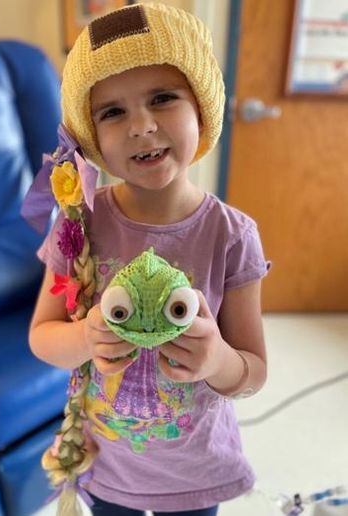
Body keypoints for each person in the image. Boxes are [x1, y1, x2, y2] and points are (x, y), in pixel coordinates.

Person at [25, 3, 270, 516]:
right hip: (108, 471)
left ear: (201, 107)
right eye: (112, 111)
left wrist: (216, 360)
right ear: (90, 136)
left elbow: (252, 372)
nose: (141, 125)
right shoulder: (79, 227)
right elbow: (42, 337)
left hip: (196, 474)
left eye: (162, 98)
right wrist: (85, 337)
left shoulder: (232, 235)